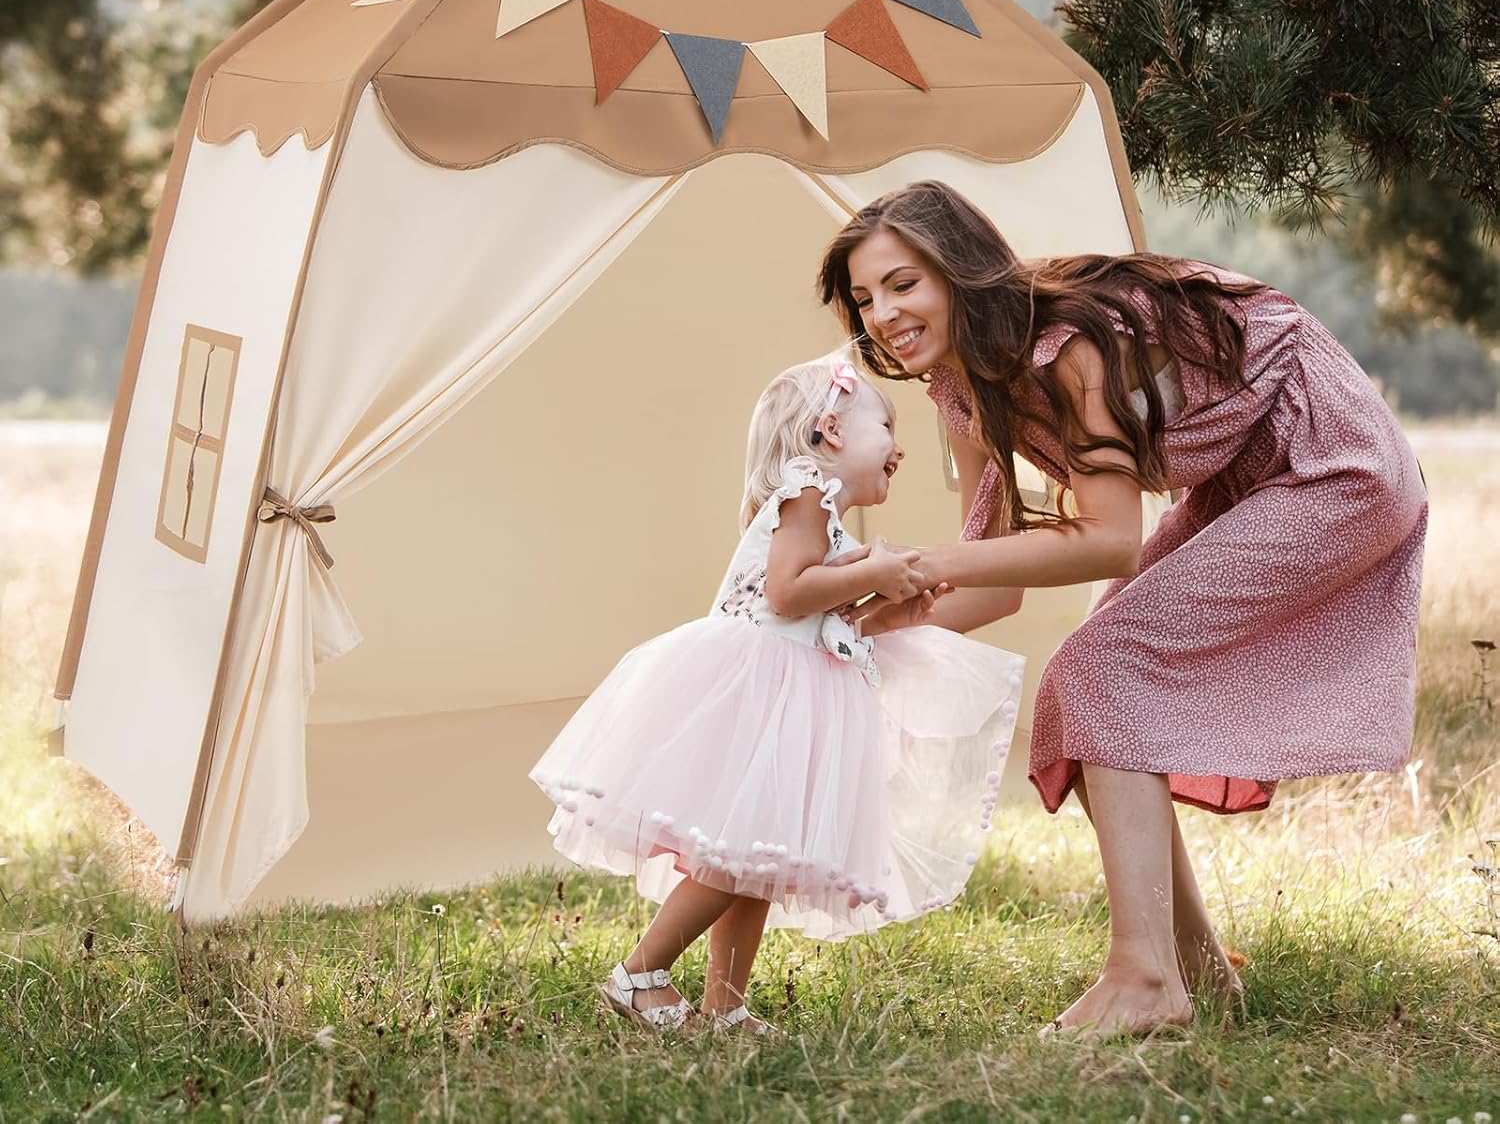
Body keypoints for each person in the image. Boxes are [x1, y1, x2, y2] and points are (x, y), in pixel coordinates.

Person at [818, 180, 1427, 1037]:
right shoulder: (959, 386)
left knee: (1102, 668)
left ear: (959, 271)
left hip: (1332, 461)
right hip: (1241, 475)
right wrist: (860, 634)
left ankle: (1144, 978)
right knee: (1088, 685)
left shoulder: (1066, 347)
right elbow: (995, 581)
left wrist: (913, 563)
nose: (882, 313)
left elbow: (1108, 539)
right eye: (864, 297)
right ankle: (1198, 977)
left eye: (903, 283)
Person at [530, 351, 1025, 1032]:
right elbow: (787, 593)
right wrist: (870, 569)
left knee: (756, 858)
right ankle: (639, 973)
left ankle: (724, 1006)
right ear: (831, 432)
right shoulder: (805, 493)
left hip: (788, 696)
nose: (899, 447)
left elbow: (826, 613)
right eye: (885, 425)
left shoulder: (826, 521)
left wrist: (884, 601)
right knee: (734, 855)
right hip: (760, 693)